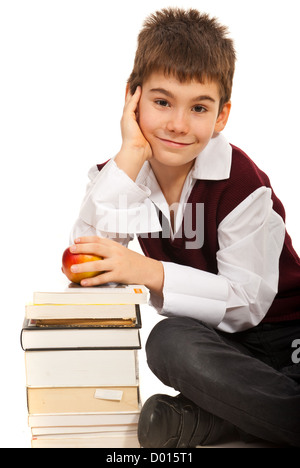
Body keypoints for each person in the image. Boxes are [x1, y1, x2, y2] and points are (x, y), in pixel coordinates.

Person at [68, 8, 300, 447]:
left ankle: (219, 419)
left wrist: (146, 271)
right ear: (132, 99)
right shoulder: (121, 174)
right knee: (169, 341)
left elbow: (247, 301)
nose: (177, 124)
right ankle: (256, 414)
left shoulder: (241, 183)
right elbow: (86, 262)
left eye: (198, 107)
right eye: (161, 102)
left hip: (288, 332)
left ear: (221, 115)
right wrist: (130, 153)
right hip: (220, 349)